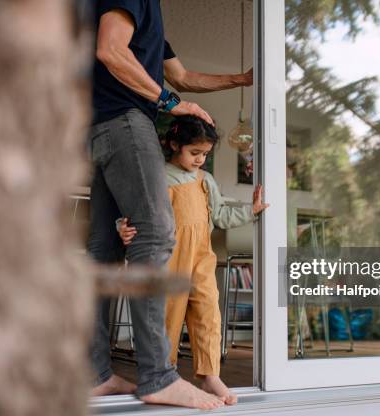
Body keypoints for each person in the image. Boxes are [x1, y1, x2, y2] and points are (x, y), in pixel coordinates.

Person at [88, 0, 253, 410]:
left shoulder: (152, 19)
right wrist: (168, 102)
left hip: (103, 125)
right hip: (126, 119)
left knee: (104, 253)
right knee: (158, 233)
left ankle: (95, 373)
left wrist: (243, 79)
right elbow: (110, 50)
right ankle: (158, 376)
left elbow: (183, 77)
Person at [117, 116, 269, 405]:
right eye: (194, 153)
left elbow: (221, 216)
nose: (200, 159)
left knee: (208, 312)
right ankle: (165, 374)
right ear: (174, 145)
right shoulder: (157, 176)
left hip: (201, 257)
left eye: (205, 155)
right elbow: (132, 212)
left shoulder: (205, 181)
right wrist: (121, 226)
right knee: (168, 315)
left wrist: (252, 210)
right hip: (169, 257)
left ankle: (210, 374)